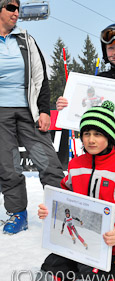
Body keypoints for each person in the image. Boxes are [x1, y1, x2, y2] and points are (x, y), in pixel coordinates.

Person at [56, 23, 115, 260]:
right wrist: (67, 106)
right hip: (96, 149)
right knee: (93, 188)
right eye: (110, 47)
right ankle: (93, 228)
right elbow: (83, 110)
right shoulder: (97, 80)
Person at [35, 101, 115, 281]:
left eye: (98, 134)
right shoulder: (76, 164)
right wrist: (50, 211)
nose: (91, 140)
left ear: (109, 137)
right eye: (86, 134)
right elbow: (64, 198)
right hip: (74, 243)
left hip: (109, 244)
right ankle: (77, 269)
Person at [0, 0, 65, 234]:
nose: (16, 12)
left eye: (18, 8)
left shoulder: (25, 40)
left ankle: (60, 211)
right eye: (10, 7)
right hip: (1, 113)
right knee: (8, 166)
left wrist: (45, 110)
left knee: (47, 161)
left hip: (29, 110)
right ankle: (18, 214)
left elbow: (41, 78)